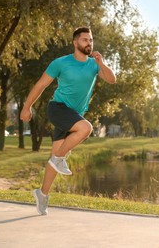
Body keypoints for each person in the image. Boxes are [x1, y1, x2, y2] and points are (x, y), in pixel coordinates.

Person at [20, 27, 116, 215]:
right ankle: (59, 158)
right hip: (58, 108)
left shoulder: (94, 65)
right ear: (75, 42)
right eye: (85, 40)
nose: (89, 43)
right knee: (85, 128)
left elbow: (112, 79)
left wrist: (101, 63)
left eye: (91, 40)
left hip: (73, 115)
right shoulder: (61, 63)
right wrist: (26, 107)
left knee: (55, 157)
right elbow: (40, 84)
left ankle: (42, 194)